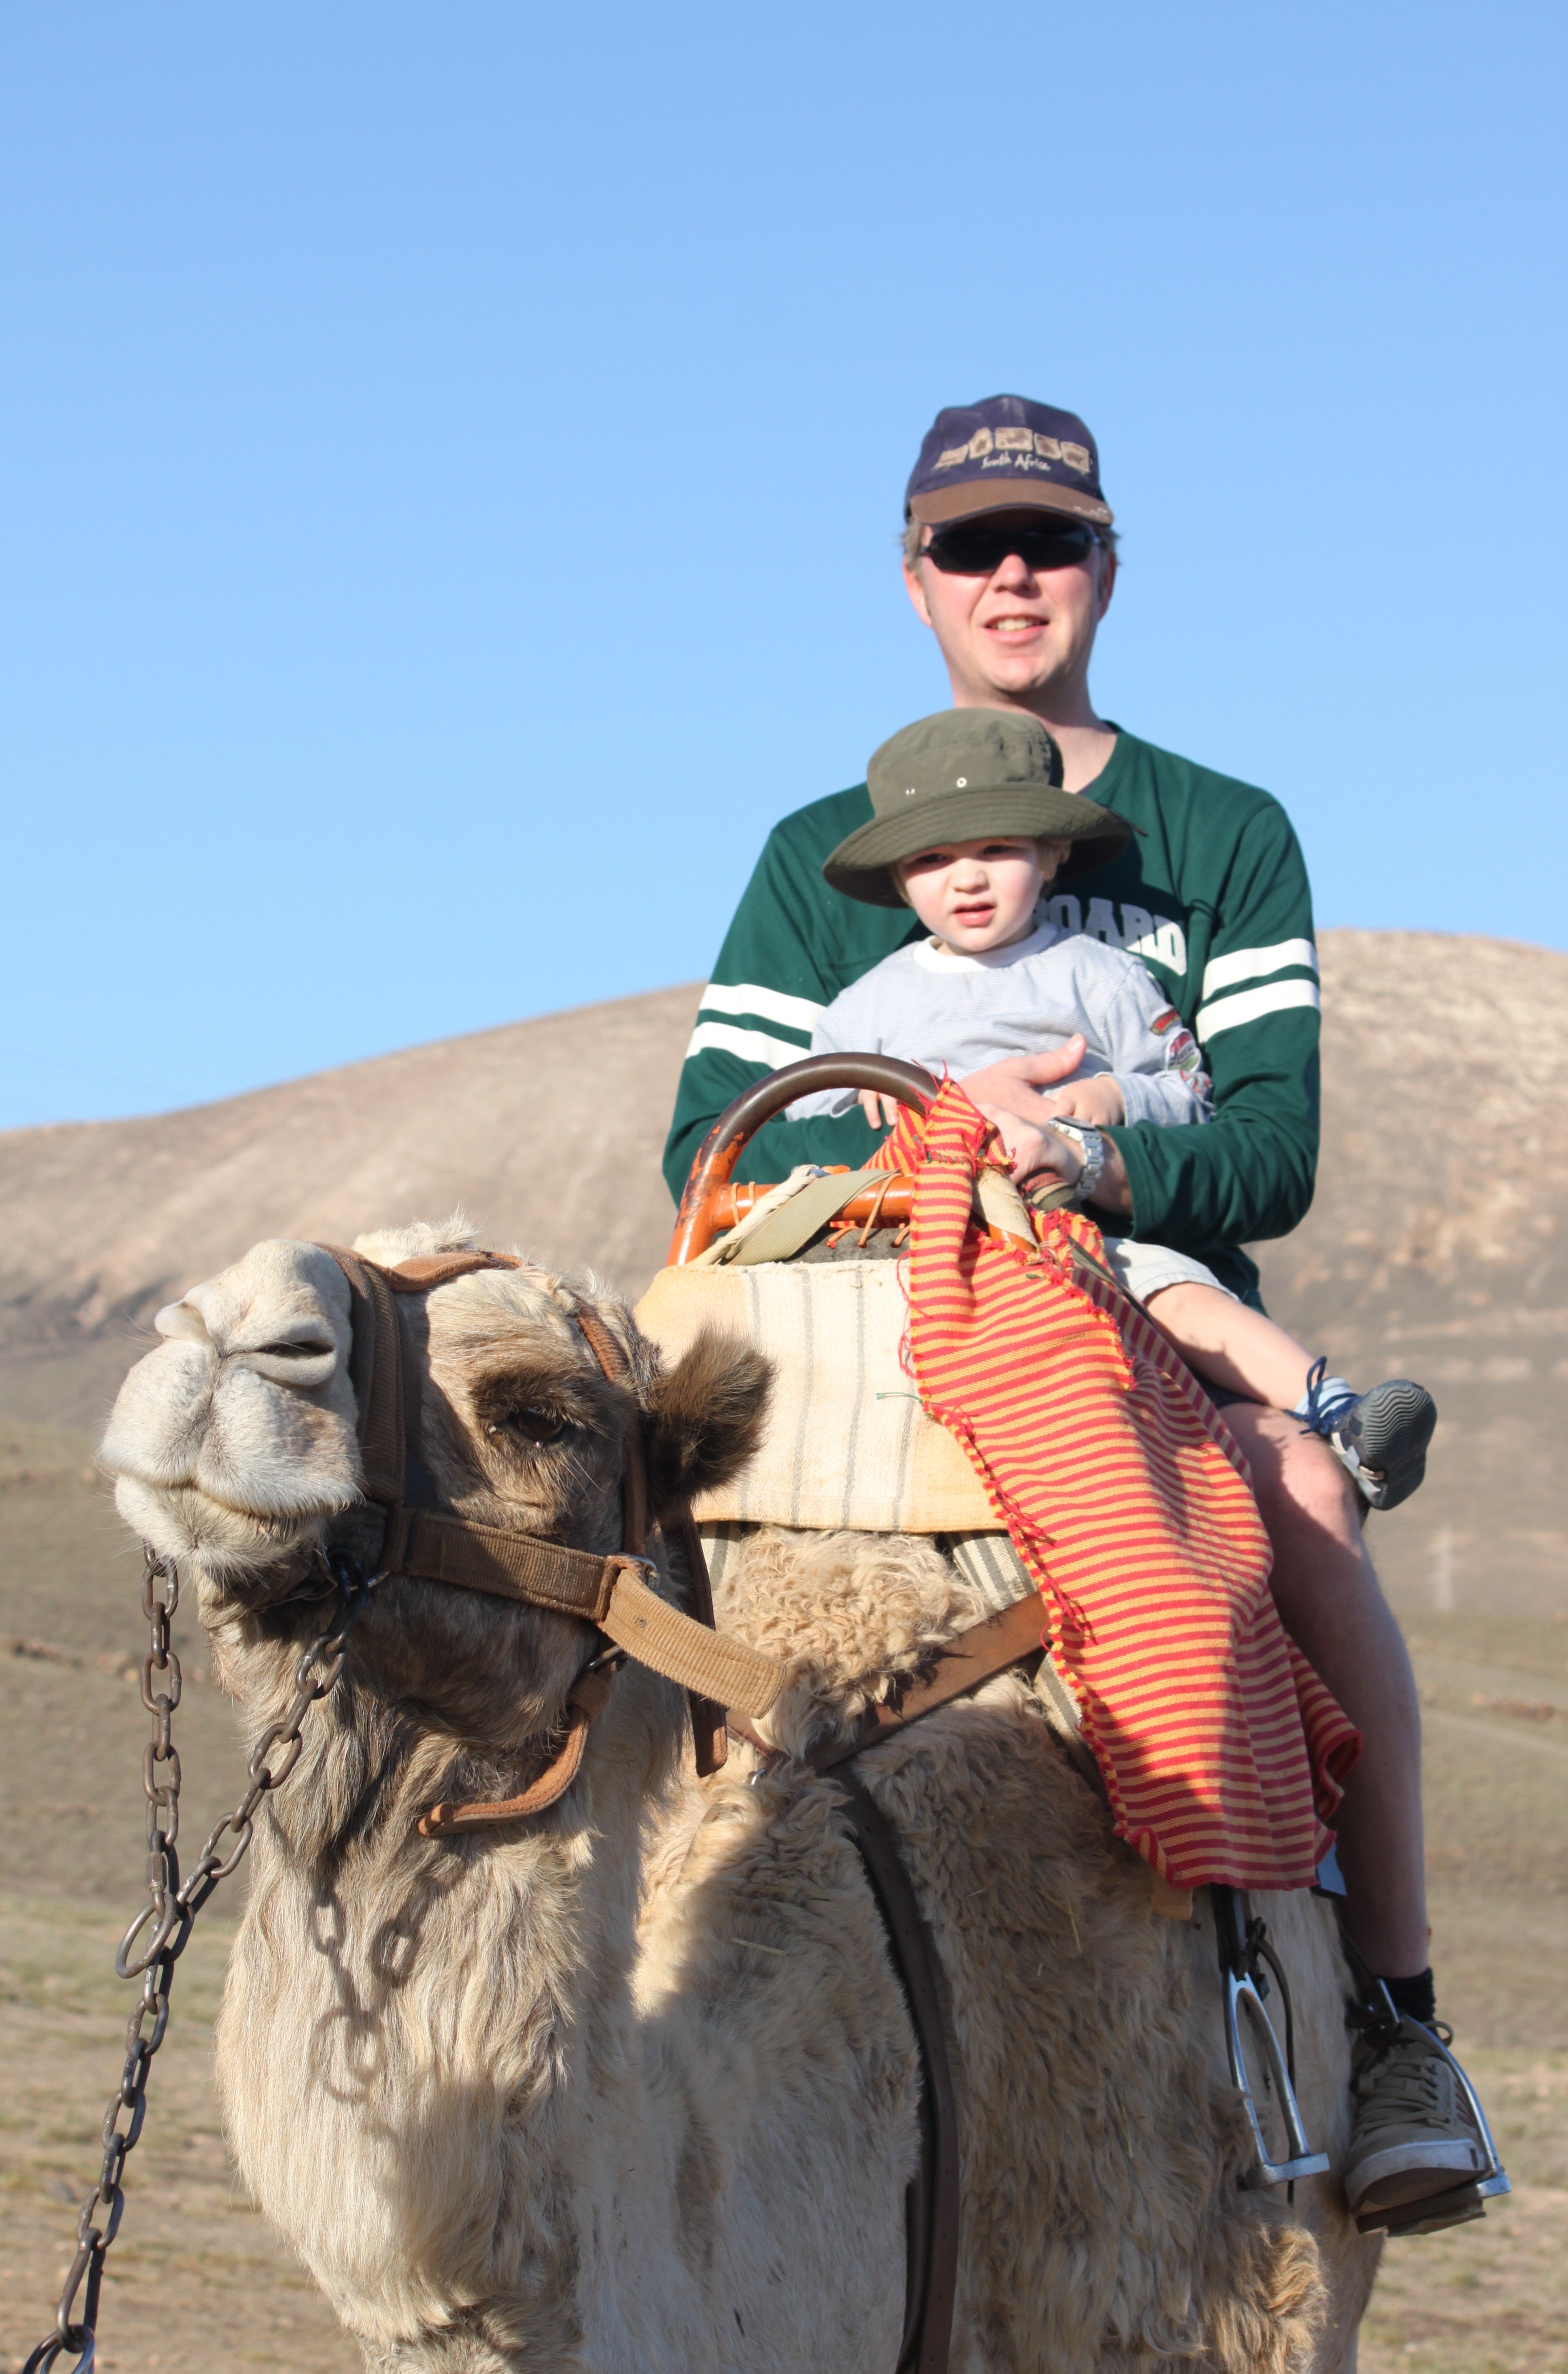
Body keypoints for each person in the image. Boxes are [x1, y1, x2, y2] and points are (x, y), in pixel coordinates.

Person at [662, 394, 1492, 2225]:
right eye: (968, 545)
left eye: (1044, 538)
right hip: (872, 1353)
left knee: (1303, 1504)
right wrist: (939, 1147)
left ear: (1105, 565)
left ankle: (1393, 2027)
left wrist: (1089, 1159)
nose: (1009, 573)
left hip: (1132, 1327)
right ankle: (613, 2010)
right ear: (913, 583)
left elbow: (1266, 1148)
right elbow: (699, 1153)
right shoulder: (825, 849)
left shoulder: (1216, 836)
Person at [793, 704, 1438, 1513]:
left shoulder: (1096, 975)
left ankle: (1337, 1413)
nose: (967, 877)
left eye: (997, 848)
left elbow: (1190, 1094)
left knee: (1178, 1292)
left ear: (1053, 854)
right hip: (926, 1243)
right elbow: (798, 1115)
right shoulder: (870, 1005)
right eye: (932, 857)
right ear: (897, 878)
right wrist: (875, 1105)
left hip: (1077, 1226)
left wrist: (1113, 1097)